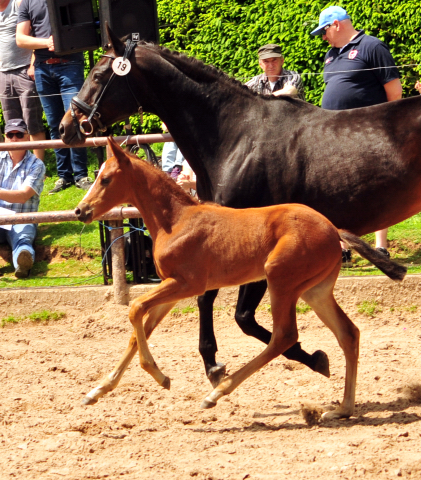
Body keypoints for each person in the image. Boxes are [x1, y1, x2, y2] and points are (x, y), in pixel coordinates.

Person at [311, 5, 402, 261]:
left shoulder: (373, 46)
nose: (323, 37)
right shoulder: (330, 55)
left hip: (367, 133)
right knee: (337, 190)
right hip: (334, 135)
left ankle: (380, 246)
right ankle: (344, 248)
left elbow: (394, 93)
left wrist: (385, 129)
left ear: (337, 24)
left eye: (324, 31)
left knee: (376, 188)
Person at [16, 0, 93, 194]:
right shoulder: (27, 3)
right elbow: (20, 39)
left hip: (70, 65)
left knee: (74, 119)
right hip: (43, 69)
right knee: (54, 123)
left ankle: (80, 174)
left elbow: (86, 28)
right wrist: (47, 42)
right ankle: (64, 175)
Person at [0, 0, 45, 161]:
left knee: (32, 123)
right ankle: (15, 168)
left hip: (24, 71)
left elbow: (35, 33)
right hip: (2, 74)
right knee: (11, 126)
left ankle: (38, 167)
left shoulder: (18, 4)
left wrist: (33, 62)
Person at [0, 118, 45, 278]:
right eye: (10, 135)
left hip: (22, 218)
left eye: (19, 134)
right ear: (4, 137)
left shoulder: (37, 165)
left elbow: (23, 196)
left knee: (23, 240)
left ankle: (22, 263)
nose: (14, 139)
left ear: (27, 137)